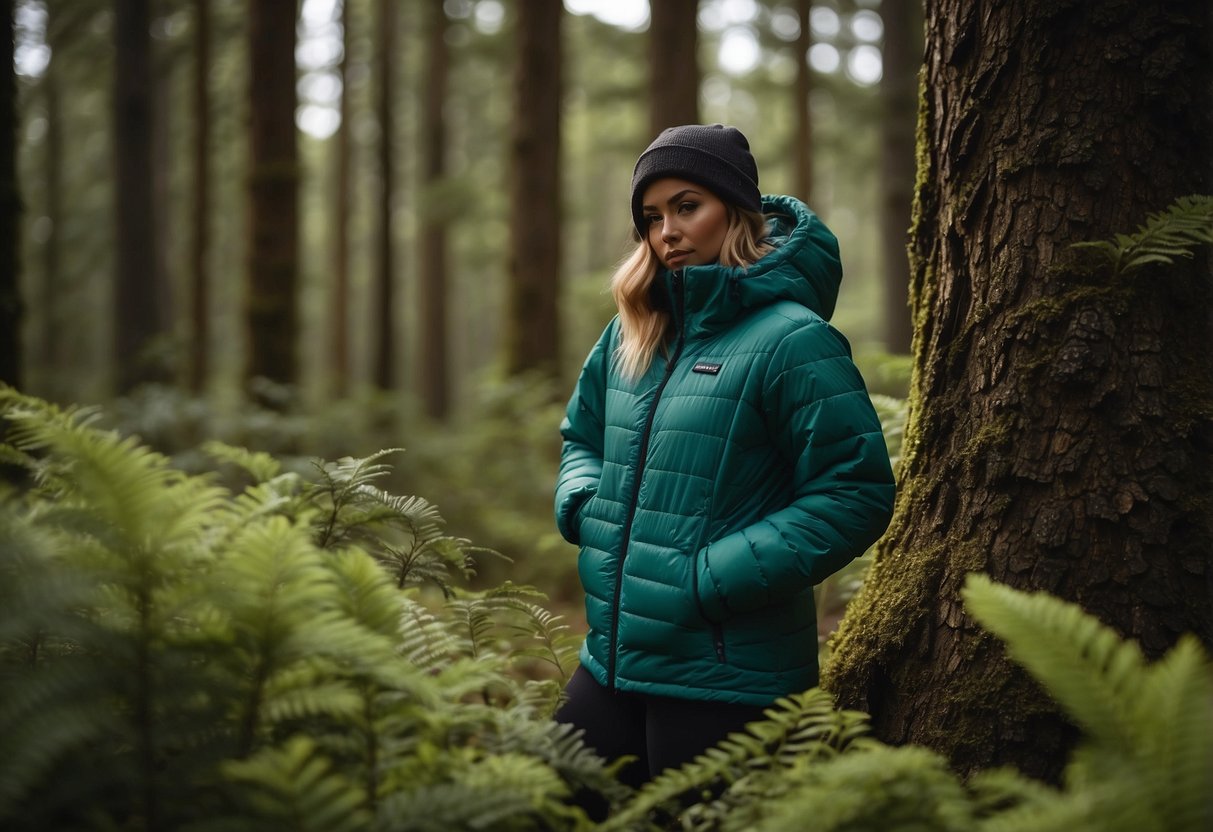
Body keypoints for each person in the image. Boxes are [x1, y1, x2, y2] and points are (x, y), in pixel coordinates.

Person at [553, 124, 895, 799]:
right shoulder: (631, 331)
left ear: (735, 211)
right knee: (546, 806)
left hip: (725, 670)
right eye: (651, 218)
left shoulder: (792, 339)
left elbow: (853, 491)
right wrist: (585, 506)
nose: (667, 232)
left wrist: (705, 579)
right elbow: (580, 436)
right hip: (611, 657)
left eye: (687, 206)